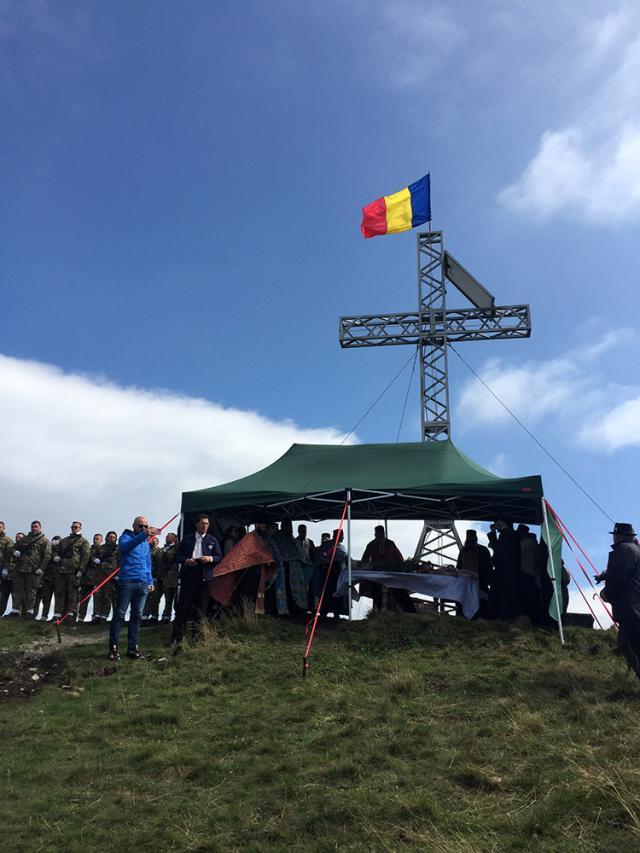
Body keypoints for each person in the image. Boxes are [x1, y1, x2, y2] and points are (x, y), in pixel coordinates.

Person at [108, 516, 158, 660]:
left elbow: (147, 563)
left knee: (137, 616)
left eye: (146, 526)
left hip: (142, 582)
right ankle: (113, 648)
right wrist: (144, 535)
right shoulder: (125, 537)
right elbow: (125, 547)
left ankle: (133, 648)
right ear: (134, 526)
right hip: (127, 581)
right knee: (120, 614)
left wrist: (150, 581)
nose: (144, 529)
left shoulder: (145, 543)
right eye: (141, 526)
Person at [598, 522, 640, 679]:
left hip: (630, 608)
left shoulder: (624, 550)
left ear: (618, 536)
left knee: (633, 646)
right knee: (625, 644)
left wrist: (607, 593)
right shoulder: (635, 550)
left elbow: (619, 578)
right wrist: (606, 576)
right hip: (633, 607)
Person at [172, 514, 221, 644]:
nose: (205, 526)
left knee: (201, 609)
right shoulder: (187, 539)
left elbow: (219, 557)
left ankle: (197, 638)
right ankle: (177, 637)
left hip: (205, 577)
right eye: (202, 523)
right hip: (189, 575)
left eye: (206, 523)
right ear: (196, 524)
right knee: (183, 607)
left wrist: (210, 559)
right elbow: (177, 556)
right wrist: (187, 561)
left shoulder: (212, 540)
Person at [361, 525, 412, 612]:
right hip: (377, 574)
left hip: (390, 573)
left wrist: (401, 566)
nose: (379, 535)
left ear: (383, 533)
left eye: (381, 533)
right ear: (375, 534)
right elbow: (365, 559)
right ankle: (381, 610)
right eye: (378, 534)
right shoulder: (371, 545)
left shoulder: (390, 543)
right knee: (375, 590)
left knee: (398, 590)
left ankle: (408, 610)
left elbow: (399, 557)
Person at [10, 521, 51, 618]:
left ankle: (29, 611)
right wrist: (15, 551)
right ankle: (15, 610)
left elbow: (47, 555)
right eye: (32, 526)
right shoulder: (25, 538)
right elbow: (13, 548)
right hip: (20, 568)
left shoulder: (44, 540)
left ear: (40, 527)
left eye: (36, 527)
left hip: (33, 570)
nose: (34, 528)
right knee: (17, 590)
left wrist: (42, 568)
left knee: (31, 592)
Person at [53, 522, 90, 620]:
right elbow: (56, 550)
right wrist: (56, 556)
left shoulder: (83, 541)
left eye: (76, 527)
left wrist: (81, 570)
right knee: (60, 592)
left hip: (74, 571)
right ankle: (57, 614)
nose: (74, 528)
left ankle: (71, 614)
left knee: (72, 594)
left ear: (80, 528)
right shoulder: (64, 541)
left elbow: (85, 556)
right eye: (72, 527)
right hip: (62, 570)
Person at [488, 518, 521, 619]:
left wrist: (492, 535)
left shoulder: (505, 533)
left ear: (501, 521)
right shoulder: (514, 534)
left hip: (503, 569)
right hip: (512, 569)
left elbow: (498, 550)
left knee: (500, 594)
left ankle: (499, 616)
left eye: (496, 523)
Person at [457, 530, 493, 618]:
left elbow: (459, 567)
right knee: (479, 602)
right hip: (476, 581)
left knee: (469, 601)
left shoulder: (464, 551)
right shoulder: (482, 550)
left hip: (472, 582)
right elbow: (489, 567)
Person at [516, 524, 543, 622]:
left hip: (525, 571)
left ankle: (525, 614)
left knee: (525, 595)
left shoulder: (524, 543)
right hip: (532, 572)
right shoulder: (534, 543)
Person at [92, 531, 119, 622]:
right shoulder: (100, 548)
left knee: (108, 596)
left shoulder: (118, 549)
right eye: (110, 537)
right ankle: (96, 615)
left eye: (113, 537)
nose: (111, 539)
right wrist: (95, 559)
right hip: (99, 575)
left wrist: (118, 575)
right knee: (97, 596)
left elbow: (121, 562)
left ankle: (104, 616)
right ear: (106, 538)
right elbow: (92, 556)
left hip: (111, 576)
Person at [35, 534, 61, 621]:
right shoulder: (47, 551)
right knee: (46, 598)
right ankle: (44, 615)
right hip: (47, 578)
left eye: (57, 541)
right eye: (54, 540)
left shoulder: (62, 552)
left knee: (58, 598)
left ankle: (56, 616)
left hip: (58, 578)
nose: (55, 543)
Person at [79, 533, 104, 621]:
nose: (95, 540)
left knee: (97, 598)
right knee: (84, 598)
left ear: (101, 540)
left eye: (97, 538)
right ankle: (81, 617)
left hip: (98, 577)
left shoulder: (103, 550)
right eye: (94, 538)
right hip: (87, 577)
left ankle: (96, 616)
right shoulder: (88, 550)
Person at [160, 533, 180, 623]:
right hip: (168, 577)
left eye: (169, 536)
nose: (167, 538)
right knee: (168, 599)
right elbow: (163, 563)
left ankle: (177, 616)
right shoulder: (166, 550)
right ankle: (166, 616)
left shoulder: (180, 549)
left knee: (177, 599)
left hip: (178, 577)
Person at [0, 522, 14, 618]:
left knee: (2, 594)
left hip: (2, 568)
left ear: (4, 528)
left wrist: (5, 569)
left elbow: (9, 557)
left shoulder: (8, 541)